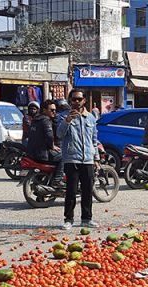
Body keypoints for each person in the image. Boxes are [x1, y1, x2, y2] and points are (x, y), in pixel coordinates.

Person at [56, 89, 100, 230]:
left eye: (79, 99)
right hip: (71, 159)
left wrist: (96, 158)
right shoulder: (63, 116)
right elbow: (59, 135)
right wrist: (68, 120)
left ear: (84, 100)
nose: (76, 102)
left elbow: (94, 140)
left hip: (87, 160)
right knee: (71, 191)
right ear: (70, 101)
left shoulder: (91, 118)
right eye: (74, 99)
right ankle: (68, 219)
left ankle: (87, 219)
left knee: (88, 191)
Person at [28, 100, 62, 189]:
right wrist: (52, 146)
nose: (54, 112)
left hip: (33, 152)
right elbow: (49, 135)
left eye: (55, 110)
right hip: (43, 154)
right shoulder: (46, 120)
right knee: (64, 157)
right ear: (44, 110)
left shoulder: (35, 120)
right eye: (52, 110)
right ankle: (57, 180)